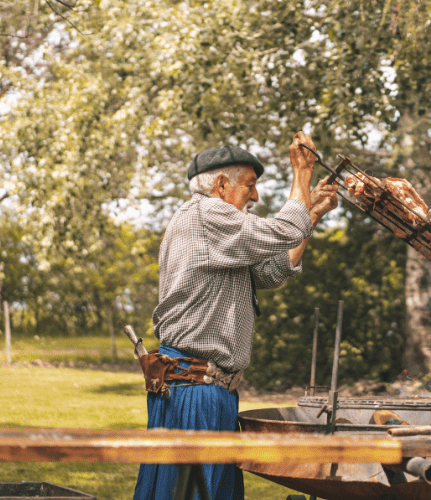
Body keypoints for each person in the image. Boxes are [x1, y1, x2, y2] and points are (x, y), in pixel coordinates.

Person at [134, 132, 339, 500]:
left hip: (210, 391)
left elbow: (272, 271)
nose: (256, 196)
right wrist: (301, 173)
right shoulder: (207, 213)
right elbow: (286, 229)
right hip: (194, 390)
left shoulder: (214, 230)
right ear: (221, 184)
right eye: (250, 186)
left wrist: (313, 213)